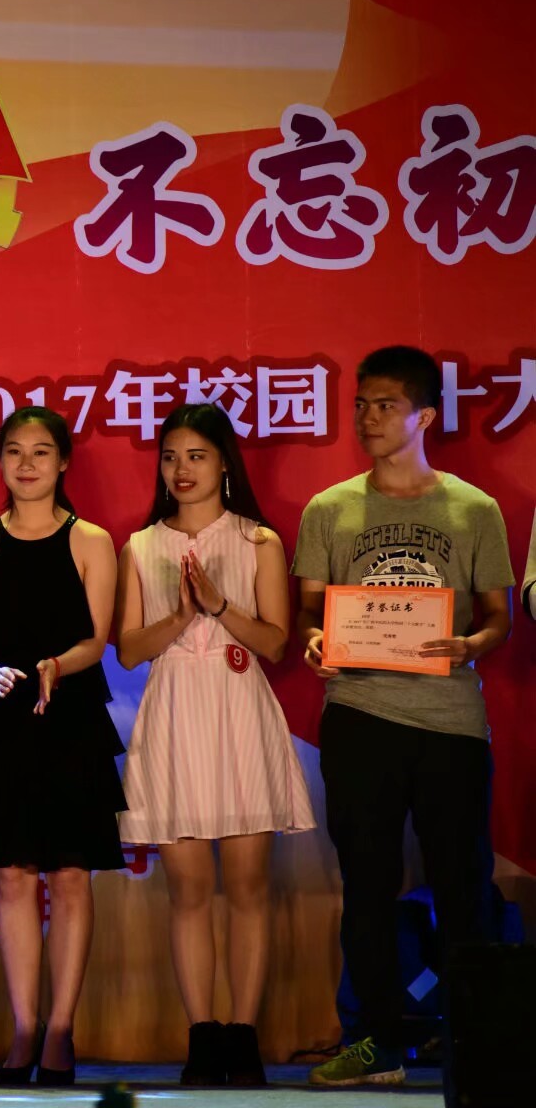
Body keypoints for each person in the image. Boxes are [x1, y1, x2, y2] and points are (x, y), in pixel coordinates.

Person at [295, 346, 514, 1088]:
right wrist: (316, 641)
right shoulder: (329, 509)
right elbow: (310, 610)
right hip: (359, 715)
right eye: (360, 404)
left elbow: (498, 617)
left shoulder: (474, 509)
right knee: (367, 884)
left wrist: (471, 645)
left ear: (423, 416)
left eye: (384, 405)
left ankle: (477, 1048)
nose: (367, 418)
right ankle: (375, 1041)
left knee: (464, 885)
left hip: (451, 723)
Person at [113, 403, 314, 1086]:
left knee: (250, 889)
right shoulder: (141, 546)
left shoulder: (258, 540)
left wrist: (221, 605)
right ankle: (202, 1037)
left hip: (238, 710)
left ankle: (243, 1038)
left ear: (224, 462)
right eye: (170, 456)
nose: (182, 470)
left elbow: (277, 643)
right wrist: (181, 613)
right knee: (190, 890)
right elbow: (129, 649)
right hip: (174, 713)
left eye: (196, 456)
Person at [0, 406, 121, 1087]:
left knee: (70, 875)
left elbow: (97, 639)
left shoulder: (92, 541)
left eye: (41, 452)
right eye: (14, 451)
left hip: (69, 718)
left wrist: (57, 665)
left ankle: (59, 1030)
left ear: (63, 461)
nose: (27, 464)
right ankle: (22, 1028)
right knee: (13, 876)